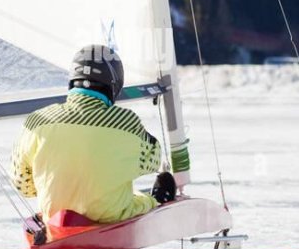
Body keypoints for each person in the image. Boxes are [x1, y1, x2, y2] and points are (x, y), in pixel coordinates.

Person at [10, 45, 177, 227]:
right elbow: (153, 160)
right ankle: (158, 199)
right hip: (111, 217)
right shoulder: (126, 122)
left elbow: (21, 184)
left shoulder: (36, 121)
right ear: (114, 84)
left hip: (54, 217)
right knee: (143, 200)